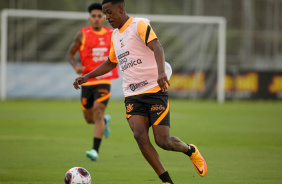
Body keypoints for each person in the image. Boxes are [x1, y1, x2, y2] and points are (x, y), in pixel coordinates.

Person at [73, 0, 207, 183]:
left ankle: (190, 150)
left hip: (154, 90)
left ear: (120, 8)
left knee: (163, 141)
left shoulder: (139, 25)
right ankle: (167, 181)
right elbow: (111, 62)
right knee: (139, 136)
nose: (107, 18)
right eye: (105, 13)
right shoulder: (114, 35)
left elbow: (157, 47)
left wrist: (161, 73)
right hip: (132, 95)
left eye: (109, 12)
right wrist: (88, 76)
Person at [67, 3, 119, 161]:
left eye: (99, 16)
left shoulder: (112, 34)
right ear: (90, 18)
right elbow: (70, 53)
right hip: (86, 82)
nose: (97, 19)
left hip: (104, 80)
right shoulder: (82, 34)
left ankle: (95, 150)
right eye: (94, 16)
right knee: (90, 118)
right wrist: (75, 66)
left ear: (104, 18)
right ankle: (104, 121)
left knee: (97, 110)